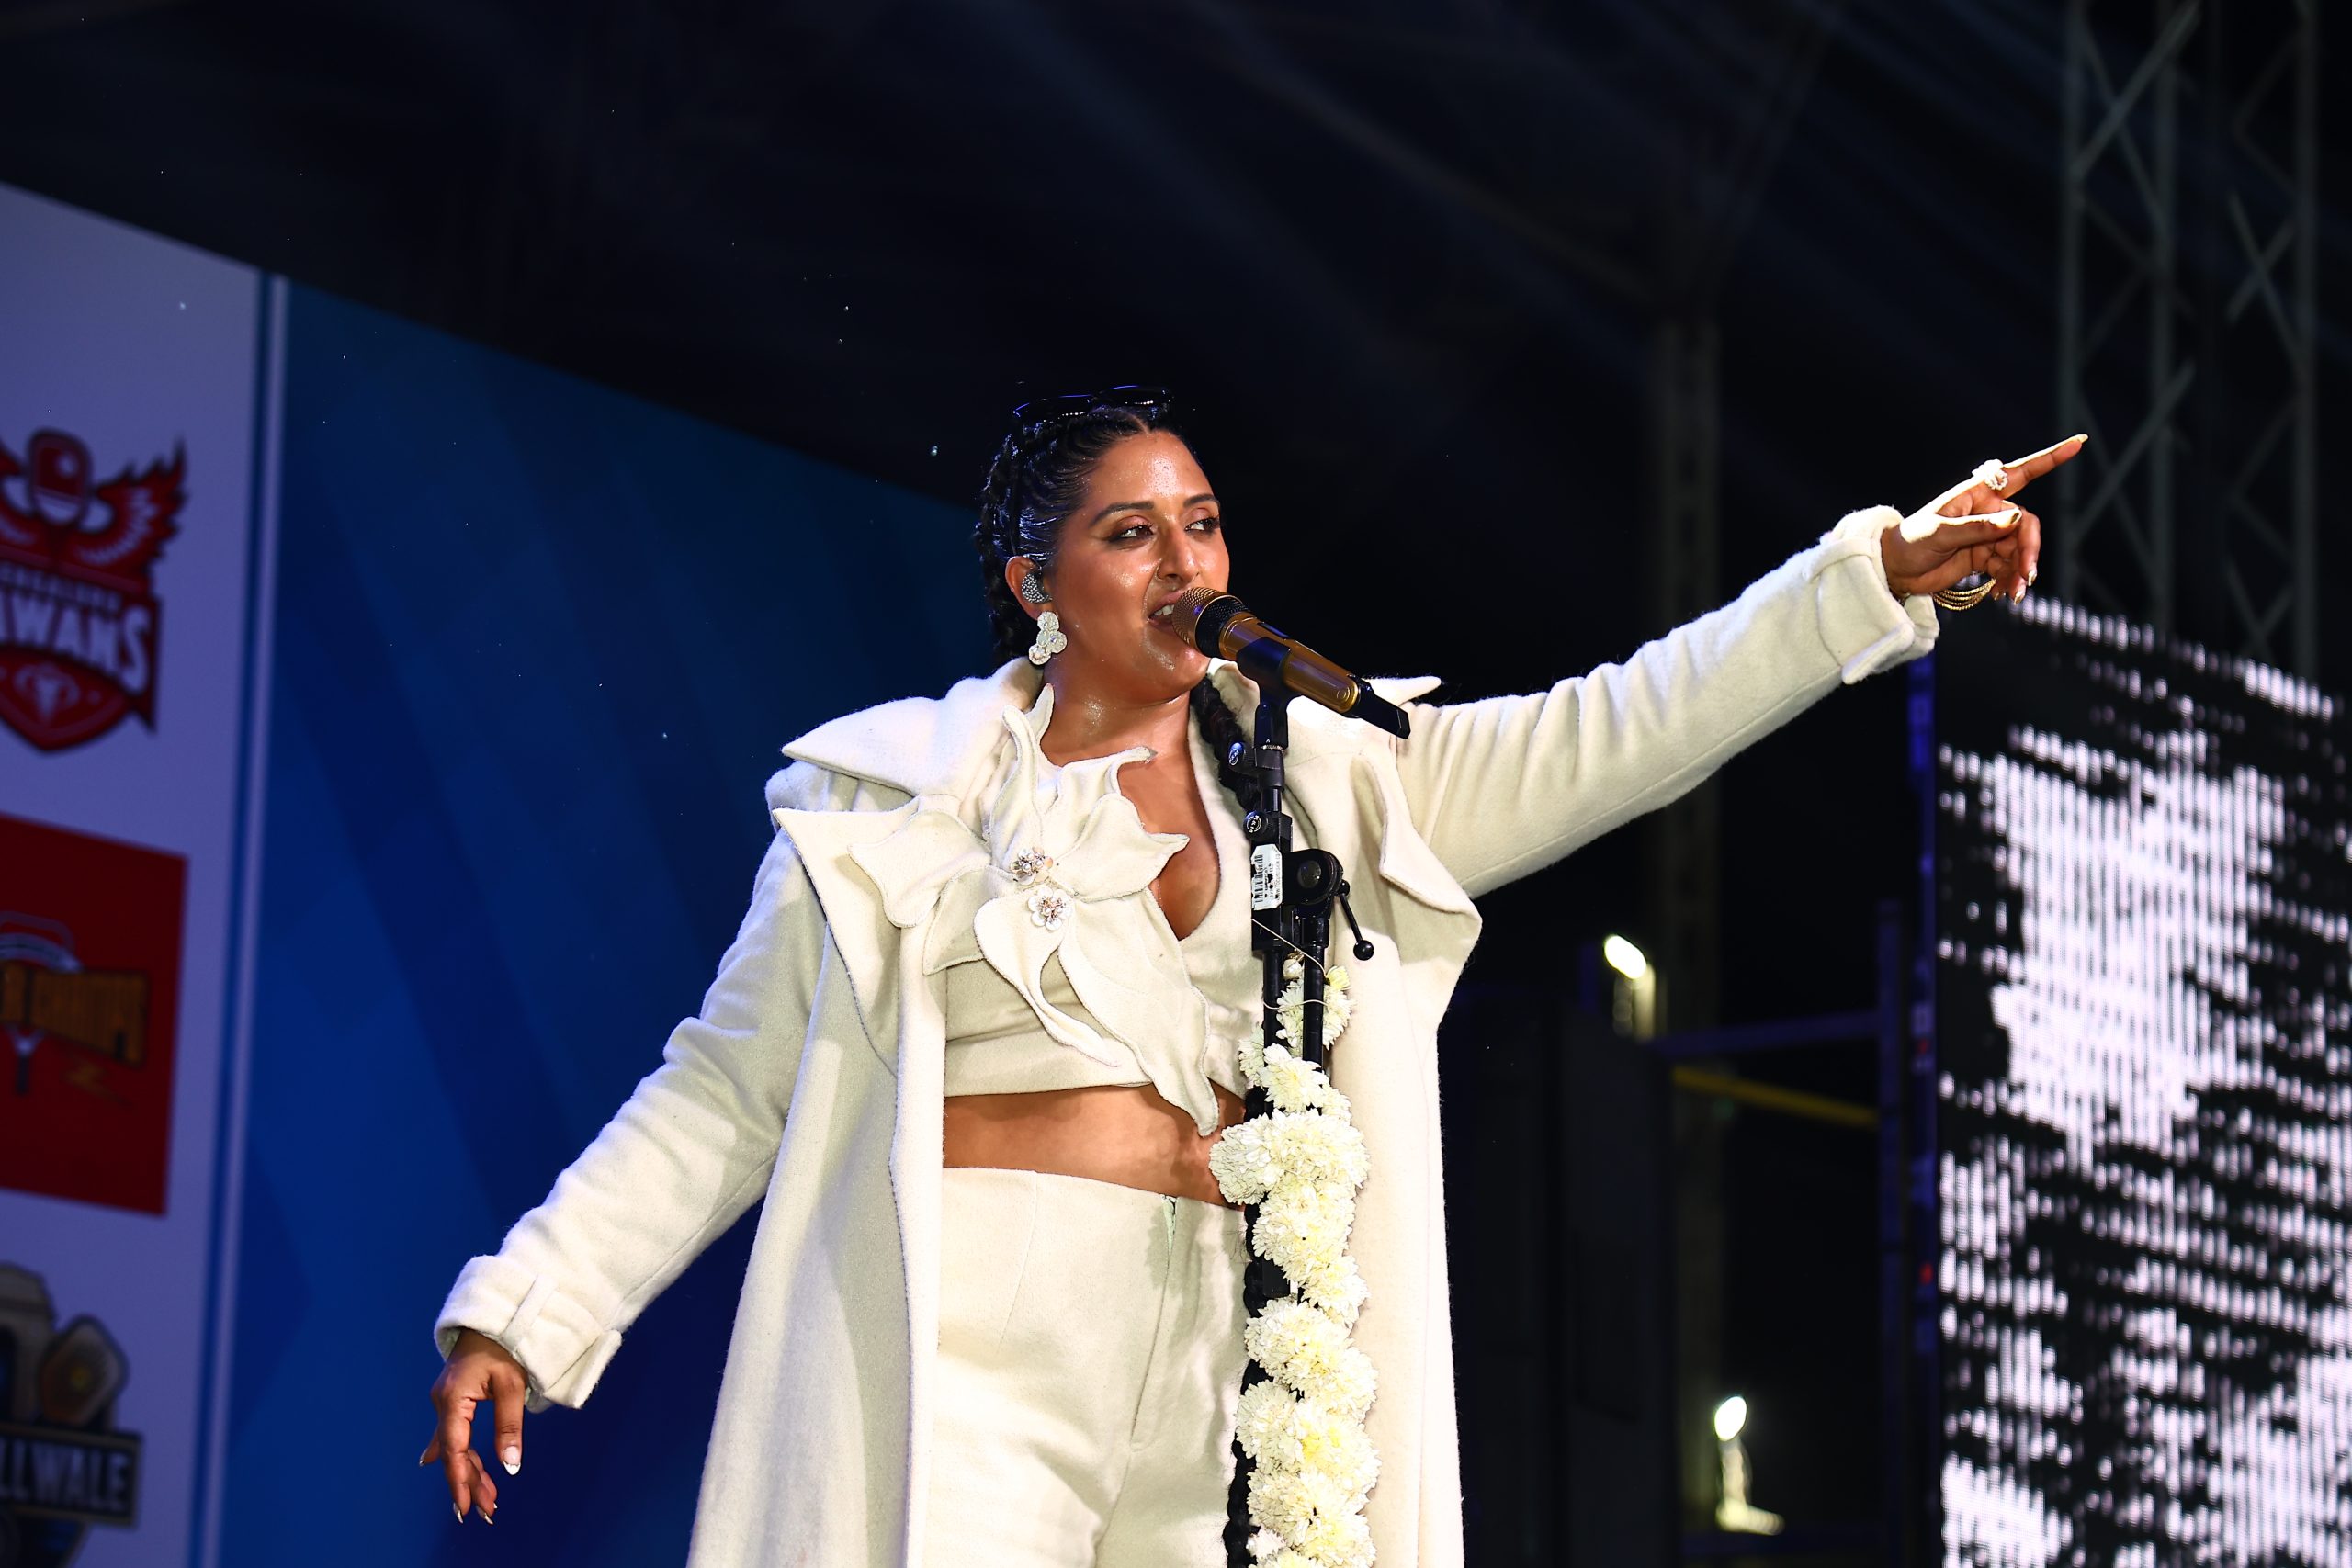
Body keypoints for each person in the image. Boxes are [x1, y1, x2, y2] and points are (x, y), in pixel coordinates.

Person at [421, 388, 2082, 1567]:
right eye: (1130, 533)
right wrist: (529, 1310)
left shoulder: (1343, 775)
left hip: (1237, 1337)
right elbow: (722, 1089)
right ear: (1035, 584)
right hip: (983, 1343)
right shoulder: (900, 811)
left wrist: (1867, 579)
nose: (1183, 562)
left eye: (1201, 523)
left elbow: (1625, 722)